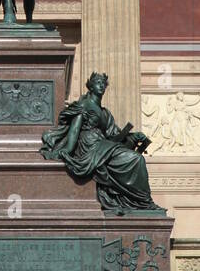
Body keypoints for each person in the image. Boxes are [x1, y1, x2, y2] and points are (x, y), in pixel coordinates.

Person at [41, 72, 162, 214]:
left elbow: (115, 136)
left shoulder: (105, 113)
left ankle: (141, 202)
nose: (102, 85)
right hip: (90, 147)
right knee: (136, 159)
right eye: (98, 82)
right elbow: (74, 130)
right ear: (90, 86)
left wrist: (134, 136)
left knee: (136, 158)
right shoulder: (84, 105)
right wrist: (67, 149)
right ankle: (143, 201)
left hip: (103, 146)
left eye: (104, 84)